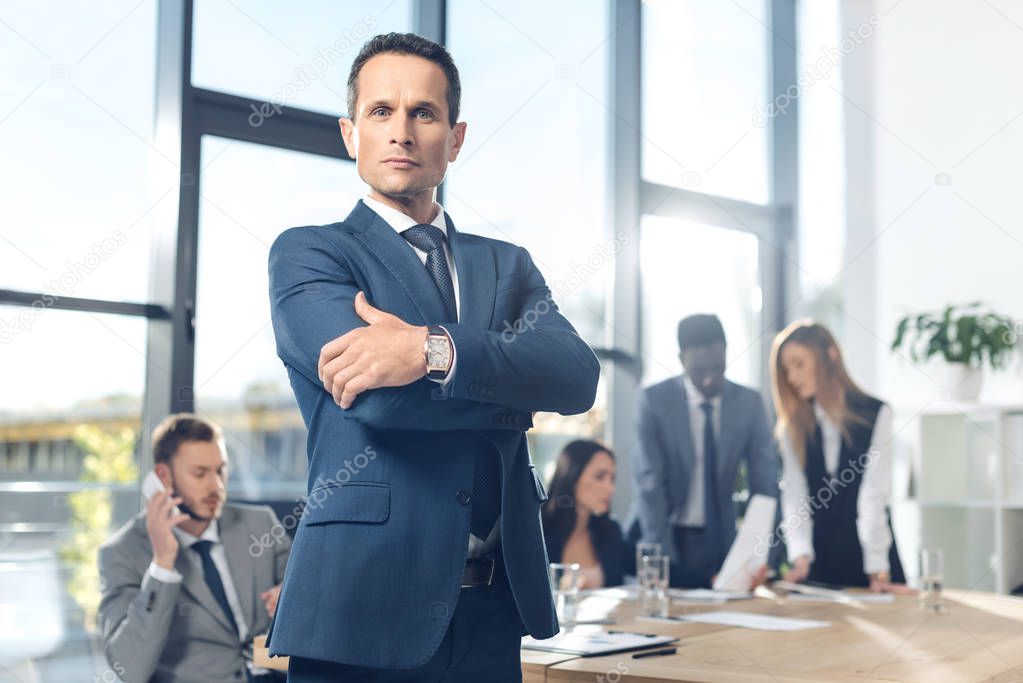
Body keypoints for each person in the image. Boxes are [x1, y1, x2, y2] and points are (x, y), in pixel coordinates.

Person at [264, 32, 599, 681]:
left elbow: (576, 376)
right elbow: (385, 405)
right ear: (349, 133)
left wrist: (429, 348)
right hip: (360, 611)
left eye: (424, 112)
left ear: (455, 136)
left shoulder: (507, 264)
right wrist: (511, 388)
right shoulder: (309, 254)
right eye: (380, 111)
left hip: (495, 611)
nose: (402, 131)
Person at [97, 414, 291, 683]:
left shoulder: (259, 523)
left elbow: (314, 601)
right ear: (163, 477)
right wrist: (162, 565)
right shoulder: (122, 552)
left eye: (220, 470)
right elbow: (129, 668)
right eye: (200, 473)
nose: (217, 486)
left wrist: (292, 598)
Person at [632, 314, 778, 588]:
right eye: (700, 371)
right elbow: (651, 485)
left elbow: (765, 483)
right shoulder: (654, 401)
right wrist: (665, 566)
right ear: (680, 359)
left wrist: (759, 555)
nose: (710, 380)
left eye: (717, 368)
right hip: (668, 534)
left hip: (724, 538)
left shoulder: (749, 403)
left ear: (726, 353)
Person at [770, 320, 908, 591]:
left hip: (871, 565)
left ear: (830, 355)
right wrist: (800, 556)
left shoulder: (876, 414)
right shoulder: (794, 425)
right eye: (786, 370)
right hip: (818, 568)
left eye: (799, 364)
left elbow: (873, 496)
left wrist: (877, 568)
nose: (792, 378)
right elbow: (795, 496)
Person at [542, 441, 634, 588]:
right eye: (599, 477)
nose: (610, 488)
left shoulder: (610, 531)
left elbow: (649, 564)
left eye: (612, 479)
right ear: (572, 476)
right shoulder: (540, 530)